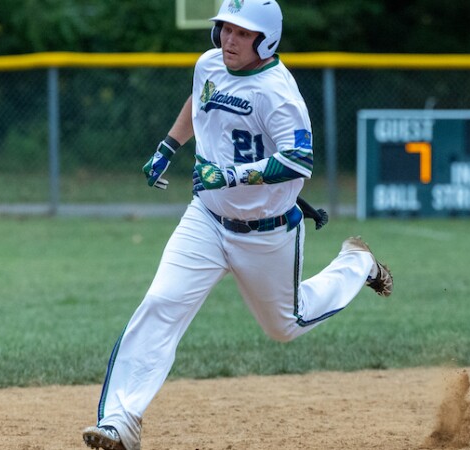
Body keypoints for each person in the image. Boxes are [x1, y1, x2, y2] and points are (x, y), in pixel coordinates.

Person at [82, 1, 392, 449]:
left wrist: (231, 175)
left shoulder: (278, 92)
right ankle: (120, 421)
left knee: (285, 325)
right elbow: (200, 100)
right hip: (206, 218)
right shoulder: (210, 64)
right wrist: (169, 145)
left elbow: (299, 159)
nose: (229, 38)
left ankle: (356, 265)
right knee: (161, 304)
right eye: (225, 27)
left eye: (243, 32)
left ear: (265, 40)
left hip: (266, 233)